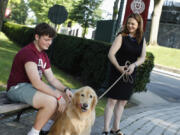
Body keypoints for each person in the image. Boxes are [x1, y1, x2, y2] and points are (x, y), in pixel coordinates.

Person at [6, 23, 73, 135]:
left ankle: (45, 129)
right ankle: (34, 133)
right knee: (51, 101)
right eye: (46, 39)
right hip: (17, 88)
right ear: (37, 37)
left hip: (31, 88)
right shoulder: (28, 52)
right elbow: (36, 82)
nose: (49, 43)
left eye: (51, 40)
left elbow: (51, 79)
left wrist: (65, 89)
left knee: (66, 98)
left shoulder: (43, 56)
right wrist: (57, 95)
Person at [102, 13, 146, 135]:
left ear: (138, 25)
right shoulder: (121, 36)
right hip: (118, 71)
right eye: (129, 23)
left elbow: (142, 57)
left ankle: (115, 128)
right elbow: (111, 54)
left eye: (133, 24)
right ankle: (105, 129)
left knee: (122, 102)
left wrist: (133, 65)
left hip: (130, 74)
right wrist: (118, 67)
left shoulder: (141, 39)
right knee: (112, 101)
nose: (130, 26)